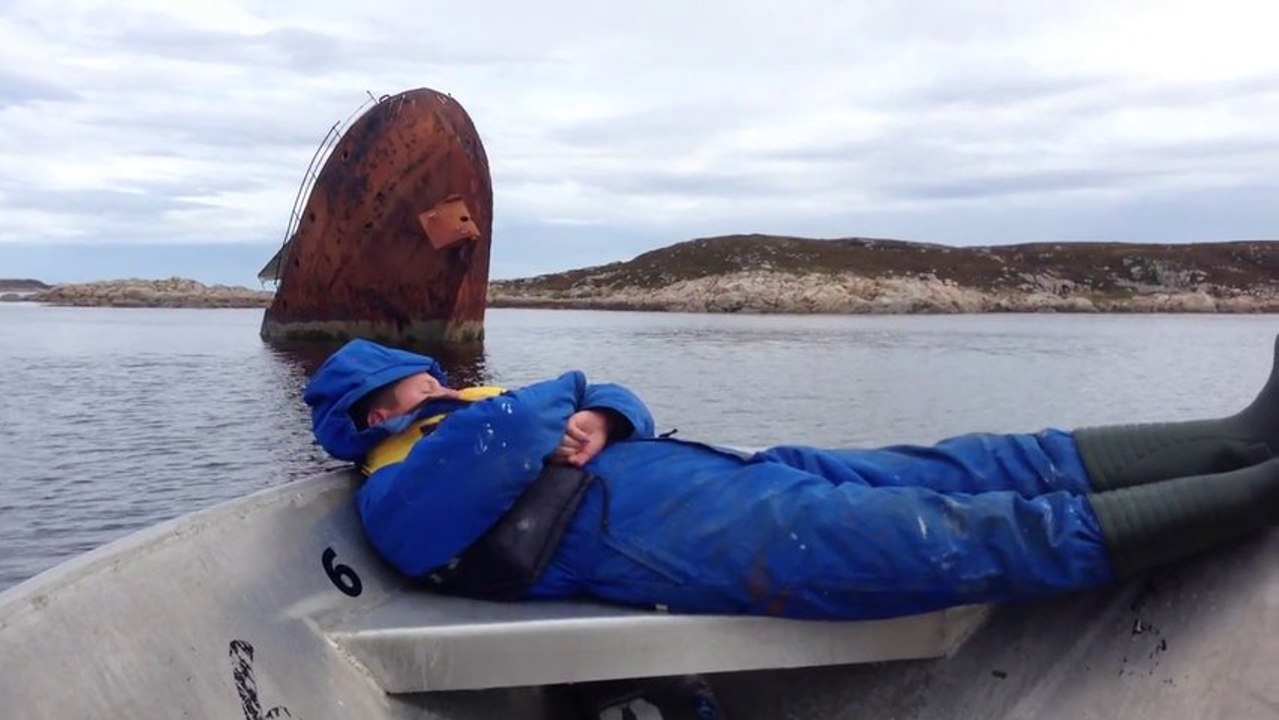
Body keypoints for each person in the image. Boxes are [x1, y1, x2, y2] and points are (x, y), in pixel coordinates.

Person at [303, 337, 1279, 621]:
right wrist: (571, 389)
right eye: (421, 380)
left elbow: (597, 399)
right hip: (685, 539)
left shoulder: (470, 426)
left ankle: (1239, 440)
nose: (445, 381)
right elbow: (515, 424)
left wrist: (605, 412)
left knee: (971, 462)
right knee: (962, 530)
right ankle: (1257, 491)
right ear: (377, 414)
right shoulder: (396, 483)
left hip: (718, 475)